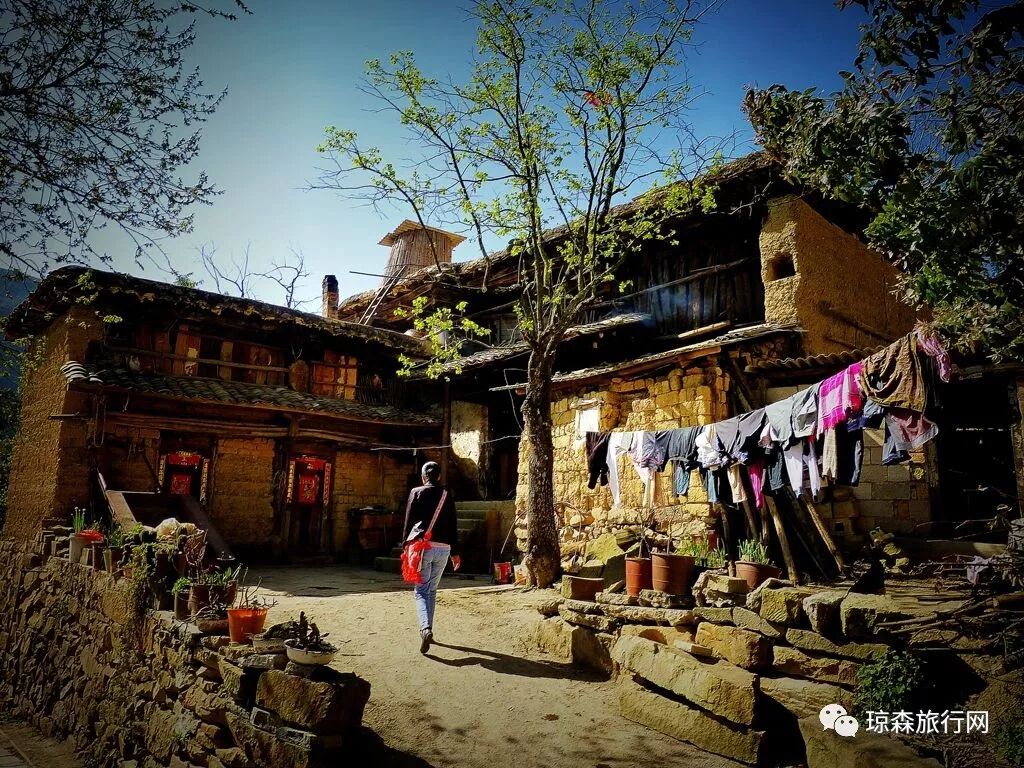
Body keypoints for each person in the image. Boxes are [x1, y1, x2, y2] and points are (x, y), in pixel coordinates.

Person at [402, 461, 461, 653]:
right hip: (444, 549)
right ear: (439, 477)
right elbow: (453, 523)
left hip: (423, 548)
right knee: (432, 590)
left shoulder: (416, 492)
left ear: (423, 477)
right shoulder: (446, 495)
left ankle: (425, 629)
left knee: (421, 590)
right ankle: (429, 629)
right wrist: (455, 552)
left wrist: (404, 545)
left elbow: (408, 522)